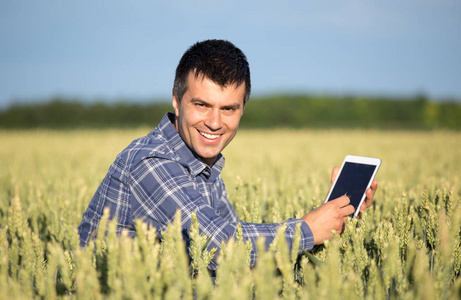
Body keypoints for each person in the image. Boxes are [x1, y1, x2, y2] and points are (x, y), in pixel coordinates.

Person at [78, 39, 378, 270]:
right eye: (202, 105)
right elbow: (221, 246)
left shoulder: (201, 167)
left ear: (242, 109)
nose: (214, 122)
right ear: (177, 101)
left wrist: (334, 217)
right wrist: (307, 230)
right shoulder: (151, 162)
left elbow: (245, 264)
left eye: (229, 109)